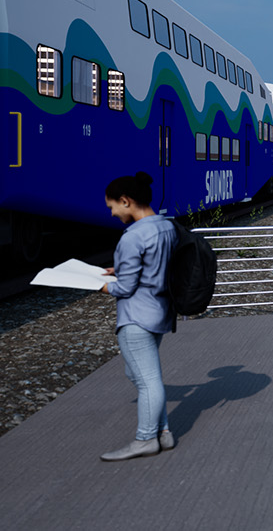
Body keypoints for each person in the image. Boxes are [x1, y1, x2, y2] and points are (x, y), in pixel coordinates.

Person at [97, 171, 178, 461]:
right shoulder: (165, 227)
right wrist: (118, 269)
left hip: (136, 318)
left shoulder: (132, 237)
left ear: (125, 201)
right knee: (144, 375)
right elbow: (155, 263)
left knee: (146, 381)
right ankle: (163, 433)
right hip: (159, 313)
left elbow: (126, 288)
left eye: (112, 207)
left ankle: (145, 439)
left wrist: (99, 284)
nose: (112, 213)